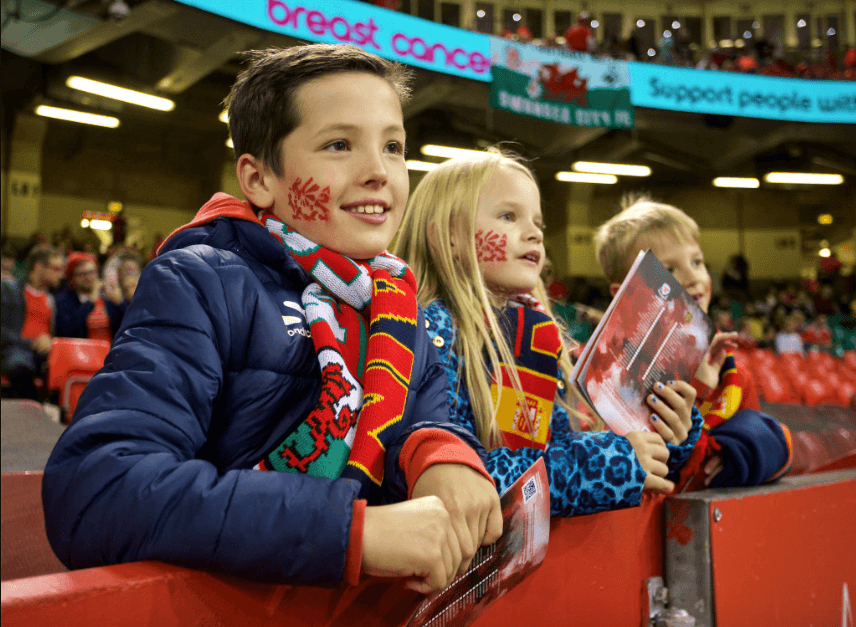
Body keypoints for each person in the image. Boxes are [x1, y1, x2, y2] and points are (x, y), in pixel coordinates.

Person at [43, 44, 502, 592]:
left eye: (394, 147)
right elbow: (97, 490)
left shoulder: (403, 316)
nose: (380, 171)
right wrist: (351, 531)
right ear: (259, 180)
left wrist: (441, 456)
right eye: (339, 144)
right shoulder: (202, 283)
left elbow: (422, 425)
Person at [392, 150, 703, 517]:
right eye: (509, 216)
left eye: (538, 223)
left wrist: (666, 437)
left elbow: (558, 450)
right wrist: (608, 463)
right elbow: (465, 482)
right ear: (450, 236)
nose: (534, 234)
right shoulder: (430, 334)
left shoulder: (537, 333)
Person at [594, 197, 793, 492]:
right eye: (669, 270)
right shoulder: (605, 380)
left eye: (697, 262)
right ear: (623, 292)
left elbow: (734, 473)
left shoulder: (732, 376)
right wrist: (696, 386)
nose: (692, 278)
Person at [1, 245, 64, 399]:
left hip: (45, 355)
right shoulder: (10, 289)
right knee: (21, 365)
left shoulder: (51, 298)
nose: (61, 275)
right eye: (56, 269)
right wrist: (32, 343)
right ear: (38, 267)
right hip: (16, 350)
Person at [54, 252, 126, 342]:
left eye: (92, 272)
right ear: (72, 278)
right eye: (82, 274)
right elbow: (68, 330)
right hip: (81, 352)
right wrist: (90, 302)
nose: (88, 277)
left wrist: (121, 303)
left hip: (110, 351)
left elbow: (127, 326)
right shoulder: (63, 300)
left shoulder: (107, 297)